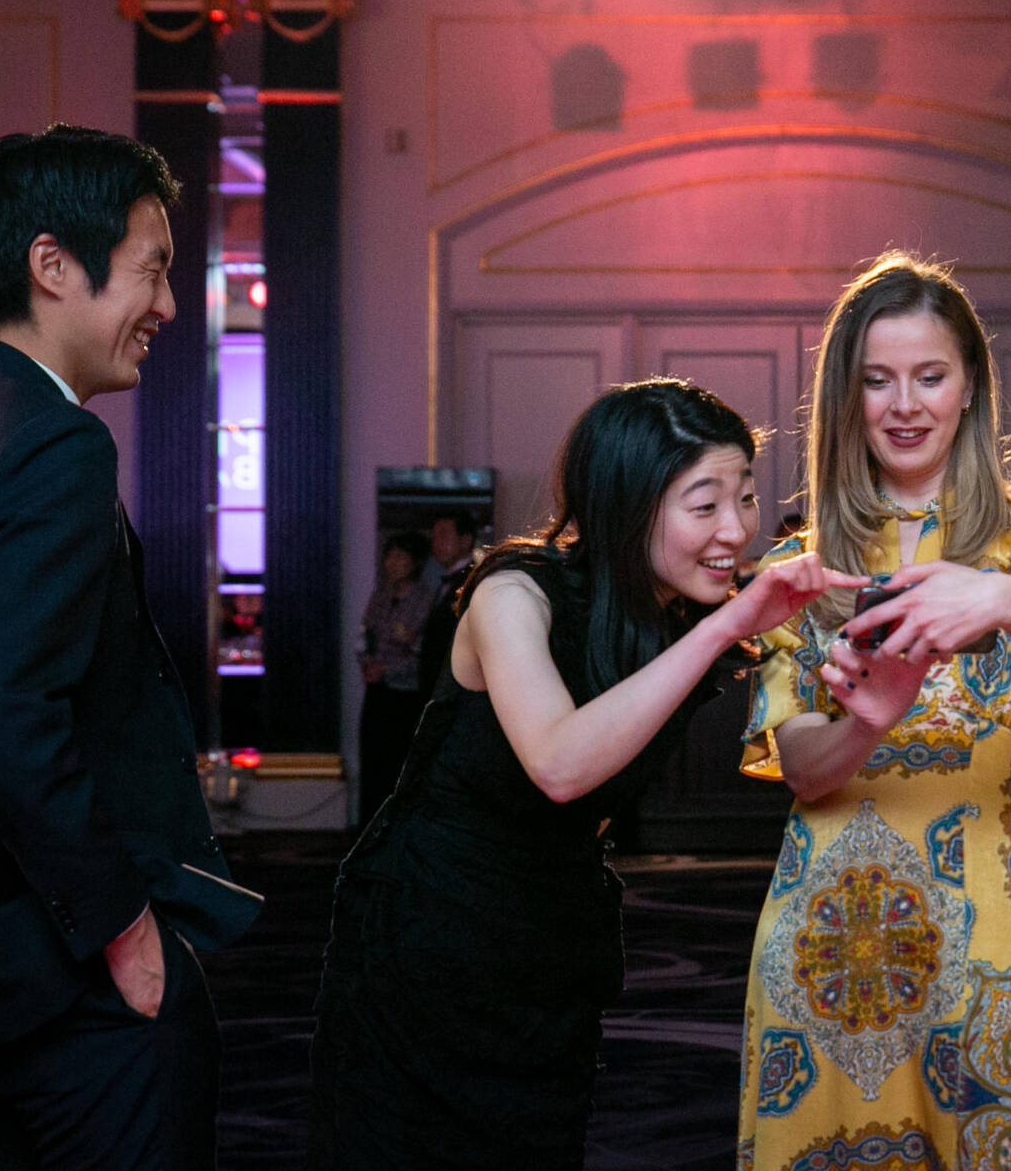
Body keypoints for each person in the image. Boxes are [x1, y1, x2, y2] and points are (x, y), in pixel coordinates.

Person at [311, 378, 865, 1170]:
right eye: (704, 505)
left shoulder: (680, 613)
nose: (737, 529)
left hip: (549, 935)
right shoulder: (514, 592)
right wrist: (728, 627)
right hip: (429, 935)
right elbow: (559, 766)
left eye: (744, 498)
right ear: (625, 503)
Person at [0, 125, 261, 1168]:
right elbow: (9, 714)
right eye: (153, 269)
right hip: (74, 976)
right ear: (52, 264)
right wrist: (120, 926)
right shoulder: (54, 440)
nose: (167, 306)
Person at [734, 253, 1011, 1169]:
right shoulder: (799, 570)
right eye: (877, 380)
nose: (903, 404)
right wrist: (868, 721)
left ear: (969, 388)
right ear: (847, 396)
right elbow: (801, 768)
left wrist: (1004, 601)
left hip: (990, 947)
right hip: (826, 962)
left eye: (928, 376)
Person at [357, 530, 438, 823]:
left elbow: (425, 651)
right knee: (373, 760)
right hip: (377, 688)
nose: (393, 563)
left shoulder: (426, 599)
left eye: (401, 557)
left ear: (415, 562)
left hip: (407, 693)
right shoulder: (380, 596)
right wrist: (367, 664)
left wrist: (389, 668)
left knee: (399, 762)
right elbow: (364, 636)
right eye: (390, 556)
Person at [415, 509, 479, 698]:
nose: (436, 543)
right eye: (434, 537)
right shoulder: (448, 580)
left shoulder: (472, 581)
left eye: (443, 536)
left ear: (466, 540)